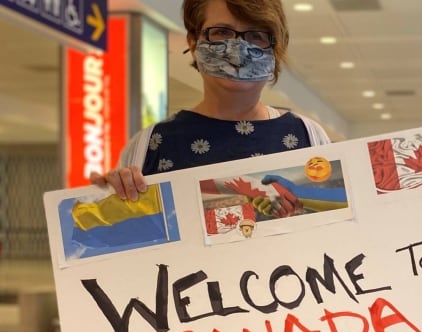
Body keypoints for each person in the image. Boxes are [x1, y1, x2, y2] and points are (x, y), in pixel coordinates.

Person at [89, 0, 330, 203]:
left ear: (275, 49)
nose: (238, 51)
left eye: (256, 35)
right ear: (194, 42)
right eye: (222, 32)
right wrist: (112, 196)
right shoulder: (151, 146)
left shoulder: (309, 138)